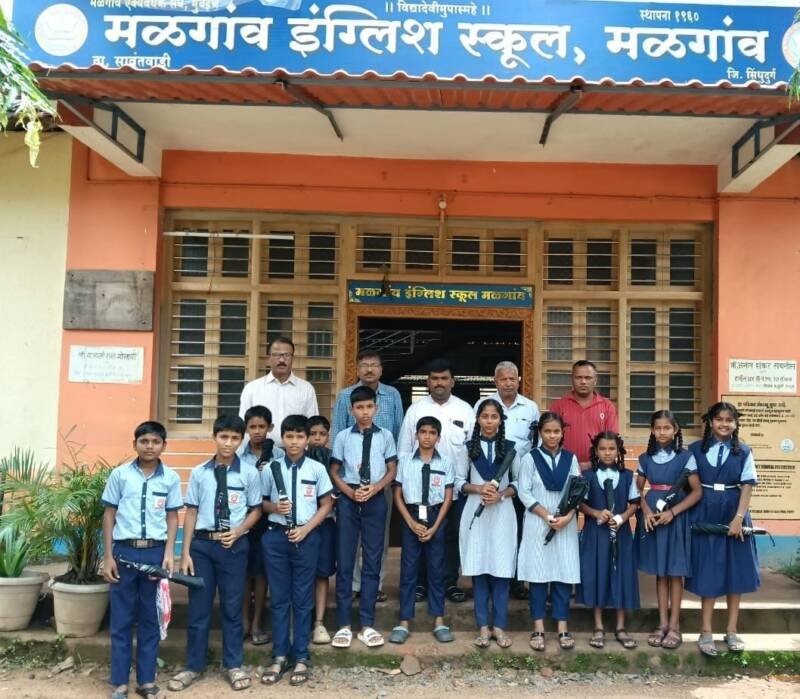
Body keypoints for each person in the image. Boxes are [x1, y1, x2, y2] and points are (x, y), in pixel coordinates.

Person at [168, 415, 262, 693]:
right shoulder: (200, 472)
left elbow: (256, 510)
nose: (228, 443)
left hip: (233, 547)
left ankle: (233, 664)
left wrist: (239, 531)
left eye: (235, 438)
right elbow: (192, 511)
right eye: (224, 437)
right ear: (214, 437)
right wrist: (184, 552)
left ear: (241, 440)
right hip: (202, 547)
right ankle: (193, 666)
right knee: (199, 608)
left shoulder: (249, 473)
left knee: (232, 608)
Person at [102, 421, 182, 699]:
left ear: (164, 445)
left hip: (154, 554)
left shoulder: (171, 478)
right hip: (124, 553)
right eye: (144, 441)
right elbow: (109, 515)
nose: (149, 446)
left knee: (151, 618)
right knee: (121, 619)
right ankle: (119, 682)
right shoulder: (120, 475)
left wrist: (169, 553)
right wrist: (108, 556)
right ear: (134, 444)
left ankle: (146, 680)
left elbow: (172, 517)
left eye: (155, 442)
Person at [260, 415, 334, 687]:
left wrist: (306, 529)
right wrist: (274, 508)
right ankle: (280, 655)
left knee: (303, 599)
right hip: (276, 538)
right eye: (289, 436)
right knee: (280, 599)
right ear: (282, 438)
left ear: (307, 440)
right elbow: (260, 503)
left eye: (299, 436)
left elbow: (327, 504)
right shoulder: (271, 469)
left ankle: (301, 655)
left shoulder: (317, 469)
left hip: (307, 537)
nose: (294, 442)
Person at [686, 402, 760, 657]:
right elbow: (687, 483)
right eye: (719, 419)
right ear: (710, 421)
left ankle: (731, 630)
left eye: (729, 420)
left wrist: (739, 518)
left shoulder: (744, 452)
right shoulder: (695, 449)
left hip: (733, 511)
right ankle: (706, 631)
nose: (724, 424)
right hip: (705, 511)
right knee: (708, 571)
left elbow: (748, 485)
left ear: (736, 423)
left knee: (734, 571)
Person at [398, 359, 474, 603]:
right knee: (420, 536)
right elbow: (404, 451)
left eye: (444, 378)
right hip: (420, 492)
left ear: (453, 381)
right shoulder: (415, 410)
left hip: (456, 488)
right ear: (428, 382)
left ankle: (449, 583)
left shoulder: (465, 410)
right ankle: (420, 584)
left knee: (451, 536)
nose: (439, 383)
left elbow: (473, 450)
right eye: (434, 378)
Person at [332, 350, 403, 602]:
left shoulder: (392, 395)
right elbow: (338, 433)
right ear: (357, 368)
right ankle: (352, 585)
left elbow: (398, 434)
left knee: (378, 537)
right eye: (364, 365)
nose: (370, 369)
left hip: (381, 480)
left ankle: (375, 584)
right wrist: (342, 483)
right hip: (349, 481)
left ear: (381, 369)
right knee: (350, 537)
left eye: (374, 365)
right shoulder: (345, 396)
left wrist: (389, 478)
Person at [329, 386, 398, 648]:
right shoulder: (343, 437)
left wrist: (376, 488)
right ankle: (344, 625)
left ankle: (367, 624)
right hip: (349, 500)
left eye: (369, 407)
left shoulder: (386, 436)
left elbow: (392, 470)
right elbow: (334, 470)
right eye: (359, 407)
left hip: (375, 499)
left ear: (376, 408)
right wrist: (348, 492)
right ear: (351, 410)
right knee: (345, 560)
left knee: (372, 559)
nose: (365, 412)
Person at [457, 399, 520, 649]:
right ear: (478, 419)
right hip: (476, 511)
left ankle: (500, 626)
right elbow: (459, 481)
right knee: (480, 568)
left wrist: (501, 494)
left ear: (501, 420)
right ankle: (483, 626)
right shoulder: (468, 448)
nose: (489, 421)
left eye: (494, 417)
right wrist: (479, 488)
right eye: (485, 416)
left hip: (502, 512)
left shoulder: (512, 448)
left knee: (501, 570)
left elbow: (518, 483)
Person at [474, 360, 540, 600]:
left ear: (519, 380)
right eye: (503, 379)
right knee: (490, 530)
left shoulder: (530, 407)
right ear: (495, 381)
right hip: (489, 475)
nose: (508, 383)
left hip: (521, 476)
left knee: (519, 529)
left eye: (512, 378)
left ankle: (516, 581)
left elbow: (536, 442)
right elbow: (475, 437)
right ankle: (490, 576)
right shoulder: (483, 405)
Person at [637, 410, 702, 651]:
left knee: (676, 572)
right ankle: (662, 623)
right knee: (660, 572)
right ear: (652, 430)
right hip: (653, 518)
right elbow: (636, 491)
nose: (662, 432)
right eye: (658, 428)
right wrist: (645, 511)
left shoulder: (685, 457)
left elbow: (697, 492)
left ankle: (675, 626)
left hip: (676, 517)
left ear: (675, 430)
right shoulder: (645, 458)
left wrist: (673, 513)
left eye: (667, 428)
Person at [517, 411, 580, 652]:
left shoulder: (571, 459)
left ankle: (563, 626)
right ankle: (539, 627)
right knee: (538, 576)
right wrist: (546, 515)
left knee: (563, 574)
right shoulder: (530, 459)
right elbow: (524, 492)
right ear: (540, 433)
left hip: (565, 524)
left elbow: (578, 490)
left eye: (556, 431)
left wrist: (568, 517)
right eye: (547, 431)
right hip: (537, 523)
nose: (552, 436)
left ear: (563, 433)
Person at [389, 416, 455, 645]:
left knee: (436, 569)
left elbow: (448, 497)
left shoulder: (446, 462)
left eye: (432, 433)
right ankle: (404, 621)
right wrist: (410, 522)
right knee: (409, 570)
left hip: (436, 516)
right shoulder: (405, 461)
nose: (427, 436)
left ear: (439, 437)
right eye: (423, 432)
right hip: (412, 515)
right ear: (416, 435)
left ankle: (439, 620)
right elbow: (397, 495)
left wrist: (435, 527)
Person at [577, 431, 640, 650]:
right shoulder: (588, 476)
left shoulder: (627, 476)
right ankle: (598, 626)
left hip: (620, 533)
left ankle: (621, 627)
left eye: (611, 449)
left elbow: (635, 503)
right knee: (598, 573)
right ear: (595, 451)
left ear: (618, 451)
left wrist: (622, 517)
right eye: (602, 449)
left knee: (621, 574)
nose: (607, 453)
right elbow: (580, 503)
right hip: (596, 533)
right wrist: (595, 513)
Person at [237, 405, 283, 647]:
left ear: (270, 428)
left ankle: (257, 623)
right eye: (252, 427)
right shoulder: (238, 455)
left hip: (271, 519)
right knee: (246, 572)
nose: (257, 431)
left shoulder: (279, 455)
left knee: (262, 572)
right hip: (244, 519)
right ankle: (244, 622)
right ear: (246, 429)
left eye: (261, 426)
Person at [239, 336, 318, 444]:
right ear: (268, 358)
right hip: (261, 451)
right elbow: (243, 426)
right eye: (276, 355)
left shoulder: (306, 389)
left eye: (286, 355)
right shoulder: (252, 388)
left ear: (293, 358)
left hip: (296, 451)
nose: (281, 360)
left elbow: (313, 425)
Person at [548, 360, 619, 468]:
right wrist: (570, 466)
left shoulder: (607, 407)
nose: (583, 381)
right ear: (572, 379)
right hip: (564, 468)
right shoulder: (558, 406)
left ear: (595, 380)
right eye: (578, 377)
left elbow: (612, 442)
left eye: (588, 378)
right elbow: (549, 440)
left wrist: (593, 464)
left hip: (598, 469)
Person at [306, 416, 336, 645]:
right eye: (313, 434)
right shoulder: (298, 460)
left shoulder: (334, 461)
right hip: (301, 525)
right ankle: (302, 619)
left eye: (322, 434)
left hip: (326, 523)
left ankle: (319, 622)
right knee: (302, 572)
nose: (317, 438)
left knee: (322, 572)